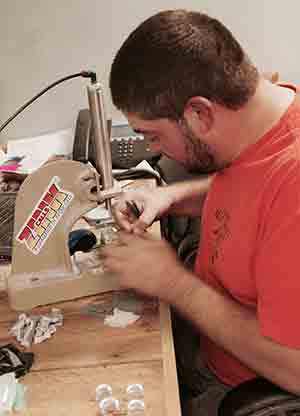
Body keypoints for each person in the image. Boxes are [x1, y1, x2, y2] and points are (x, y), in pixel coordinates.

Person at [103, 9, 300, 416]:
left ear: (199, 113)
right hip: (206, 341)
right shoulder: (268, 116)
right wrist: (173, 198)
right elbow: (252, 185)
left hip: (240, 389)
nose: (153, 150)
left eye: (154, 136)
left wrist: (174, 283)